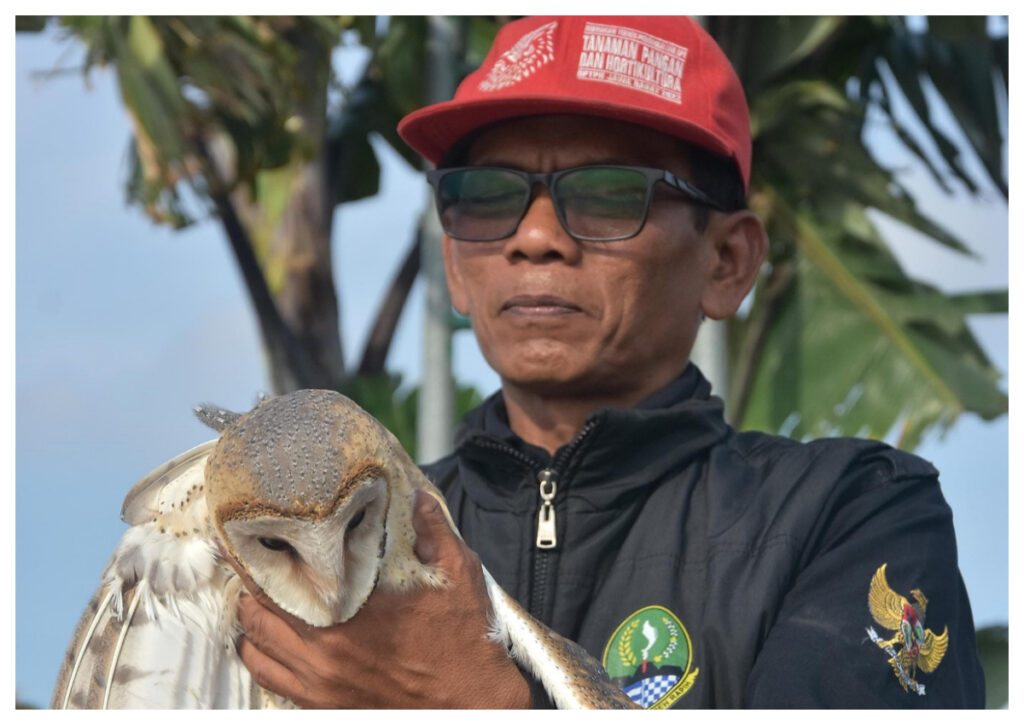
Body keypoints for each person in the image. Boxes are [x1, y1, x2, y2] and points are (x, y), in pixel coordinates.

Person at [232, 16, 985, 708]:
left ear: (727, 261)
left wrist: (473, 701)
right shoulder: (337, 531)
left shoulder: (848, 514)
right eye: (487, 196)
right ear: (455, 265)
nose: (534, 239)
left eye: (607, 194)